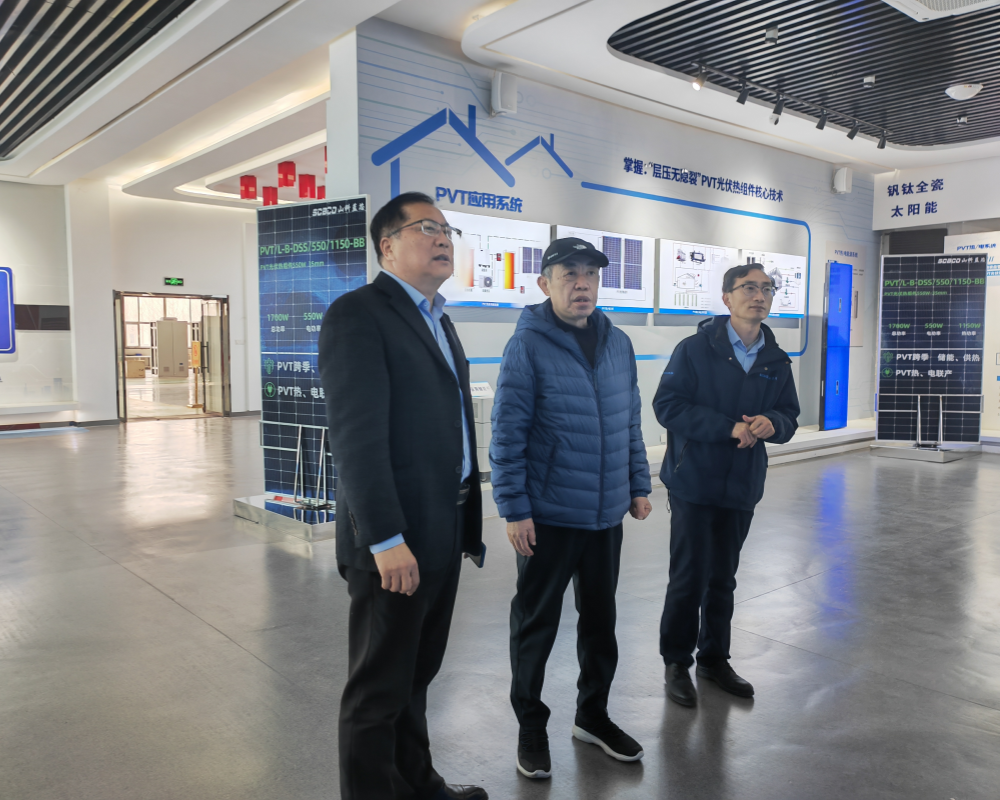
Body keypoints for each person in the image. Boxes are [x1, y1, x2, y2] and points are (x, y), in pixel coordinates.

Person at [318, 192, 488, 800]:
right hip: (396, 539)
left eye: (447, 230)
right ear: (387, 246)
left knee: (417, 672)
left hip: (445, 524)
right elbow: (356, 438)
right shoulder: (358, 314)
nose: (443, 238)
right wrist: (385, 539)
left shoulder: (438, 318)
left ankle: (417, 784)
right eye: (426, 228)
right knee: (377, 690)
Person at [490, 237, 653, 780]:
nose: (582, 284)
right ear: (545, 284)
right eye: (569, 274)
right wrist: (514, 508)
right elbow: (507, 433)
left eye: (590, 274)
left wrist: (638, 483)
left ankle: (593, 715)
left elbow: (629, 420)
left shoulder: (618, 342)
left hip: (605, 514)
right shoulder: (527, 346)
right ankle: (531, 725)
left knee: (601, 621)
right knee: (536, 624)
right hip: (549, 515)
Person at [652, 263, 800, 708]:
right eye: (749, 288)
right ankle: (676, 662)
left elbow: (789, 416)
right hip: (694, 480)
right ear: (726, 298)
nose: (759, 296)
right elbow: (667, 406)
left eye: (766, 289)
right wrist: (727, 427)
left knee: (723, 578)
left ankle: (714, 659)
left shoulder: (776, 359)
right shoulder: (695, 349)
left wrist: (772, 423)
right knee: (689, 576)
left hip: (742, 484)